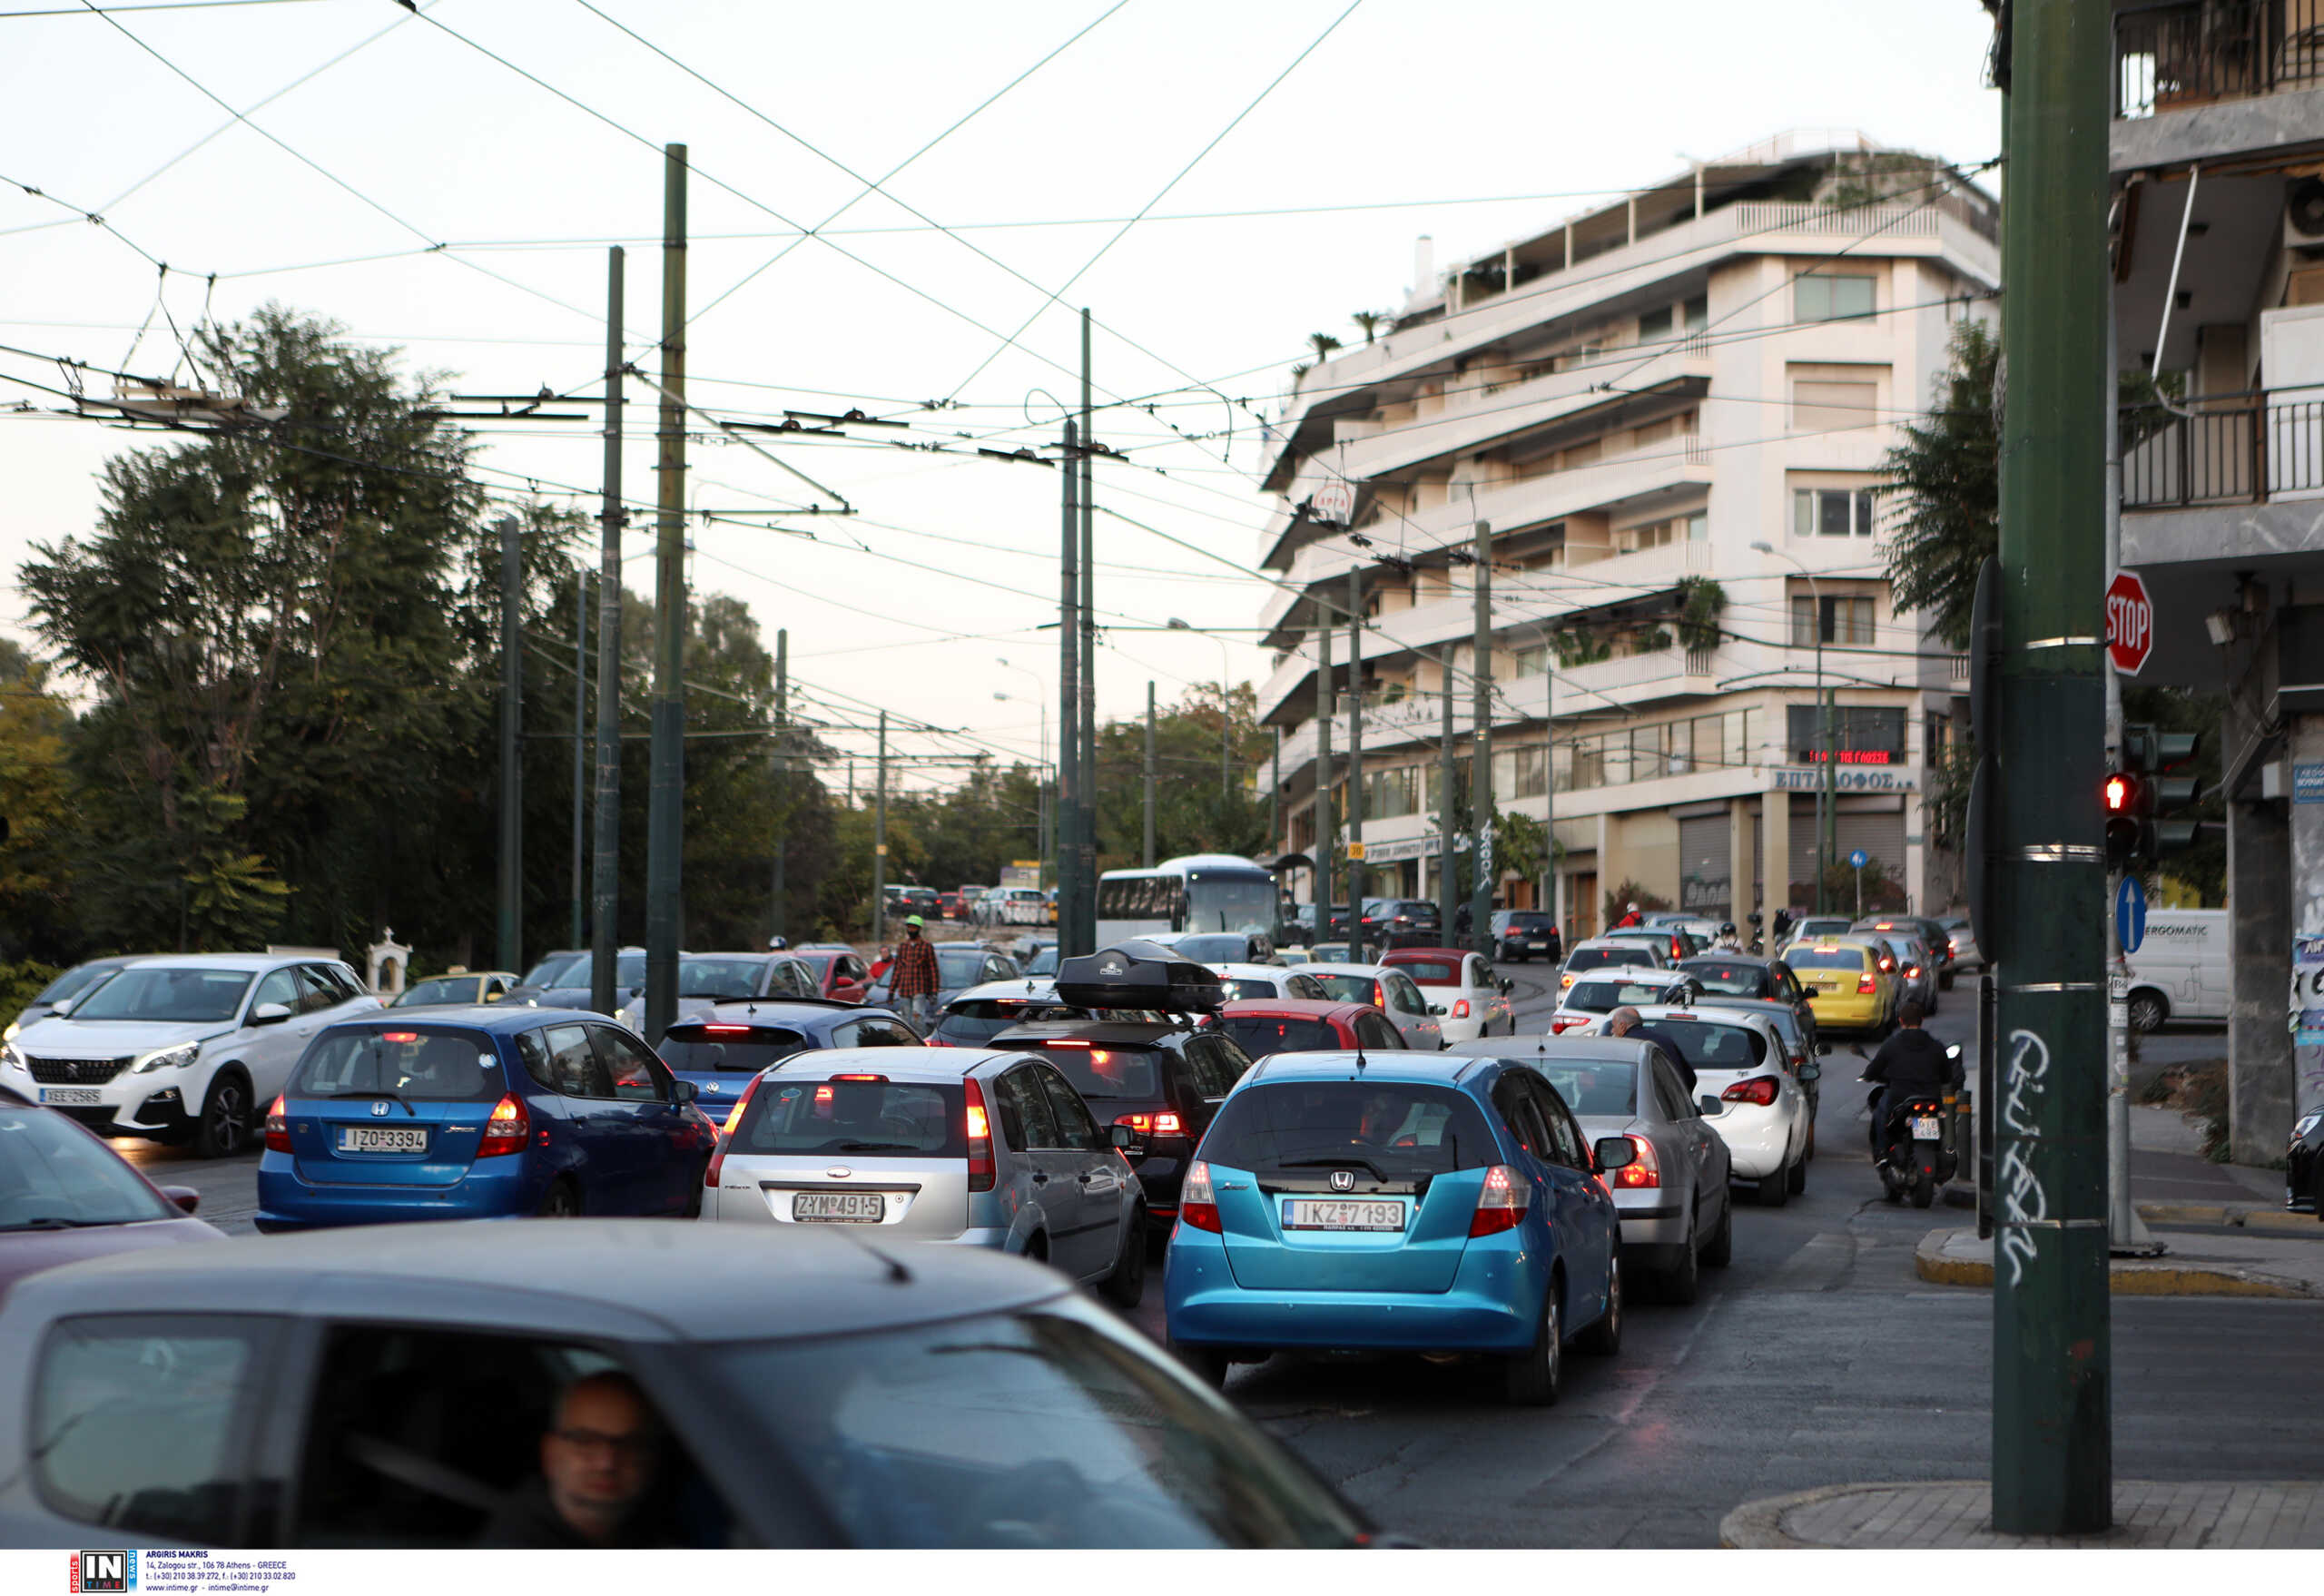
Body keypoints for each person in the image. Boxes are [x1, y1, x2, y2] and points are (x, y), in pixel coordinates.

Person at [479, 1371, 664, 1547]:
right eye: (585, 1440)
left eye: (629, 1444)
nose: (606, 1463)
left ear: (652, 1456)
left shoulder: (656, 1525)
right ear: (549, 1452)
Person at [1860, 1000, 1961, 1155]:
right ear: (1922, 1020)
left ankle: (1882, 1152)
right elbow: (1947, 1076)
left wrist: (1868, 1075)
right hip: (1931, 1098)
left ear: (1901, 1021)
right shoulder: (1936, 1046)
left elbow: (1874, 1069)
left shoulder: (1891, 1044)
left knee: (1881, 1112)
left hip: (1900, 1098)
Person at [1604, 1005, 1697, 1093]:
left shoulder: (1623, 1046)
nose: (1612, 1030)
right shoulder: (1666, 1042)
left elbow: (1611, 1080)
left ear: (1622, 1026)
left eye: (1613, 1026)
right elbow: (1690, 1078)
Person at [888, 915, 940, 1028]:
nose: (911, 930)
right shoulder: (902, 947)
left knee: (918, 1020)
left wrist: (934, 991)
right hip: (904, 989)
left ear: (919, 929)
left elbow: (933, 970)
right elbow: (897, 970)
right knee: (905, 1021)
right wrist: (891, 991)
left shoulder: (926, 947)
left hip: (919, 989)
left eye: (914, 928)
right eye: (909, 928)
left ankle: (920, 1043)